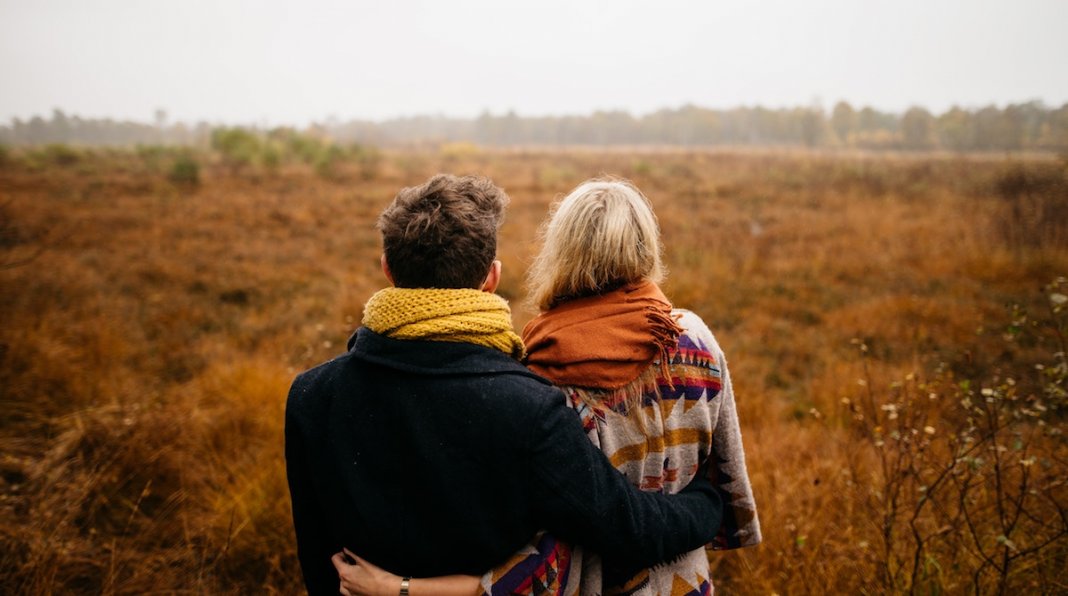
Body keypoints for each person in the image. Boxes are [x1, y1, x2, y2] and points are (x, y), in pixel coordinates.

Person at [285, 174, 726, 596]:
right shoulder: (528, 405)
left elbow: (319, 560)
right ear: (492, 277)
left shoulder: (310, 396)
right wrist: (707, 504)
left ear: (386, 268)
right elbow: (628, 527)